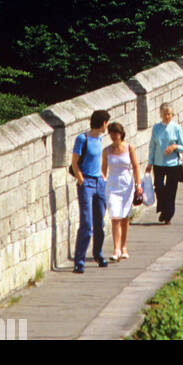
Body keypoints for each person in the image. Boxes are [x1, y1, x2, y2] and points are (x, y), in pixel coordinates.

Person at [70, 109, 112, 273]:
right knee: (86, 223)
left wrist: (102, 177)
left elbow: (98, 161)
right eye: (106, 123)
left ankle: (98, 254)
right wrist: (81, 180)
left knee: (99, 223)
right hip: (86, 183)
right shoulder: (82, 139)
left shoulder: (100, 139)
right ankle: (79, 260)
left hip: (99, 183)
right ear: (102, 123)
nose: (107, 126)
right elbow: (74, 162)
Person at [102, 121, 143, 261]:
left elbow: (136, 166)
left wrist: (138, 184)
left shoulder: (129, 147)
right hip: (113, 185)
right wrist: (101, 183)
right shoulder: (106, 151)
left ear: (121, 134)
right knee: (115, 216)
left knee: (124, 217)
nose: (113, 136)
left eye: (116, 133)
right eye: (111, 133)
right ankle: (116, 249)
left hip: (126, 185)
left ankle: (124, 246)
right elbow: (103, 170)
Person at [147, 102, 183, 226]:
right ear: (161, 114)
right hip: (159, 164)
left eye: (169, 114)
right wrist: (150, 162)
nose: (167, 116)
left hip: (172, 165)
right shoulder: (156, 128)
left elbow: (182, 146)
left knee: (171, 190)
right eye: (165, 114)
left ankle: (168, 215)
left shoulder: (176, 128)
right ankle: (163, 209)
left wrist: (174, 146)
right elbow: (152, 146)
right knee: (159, 187)